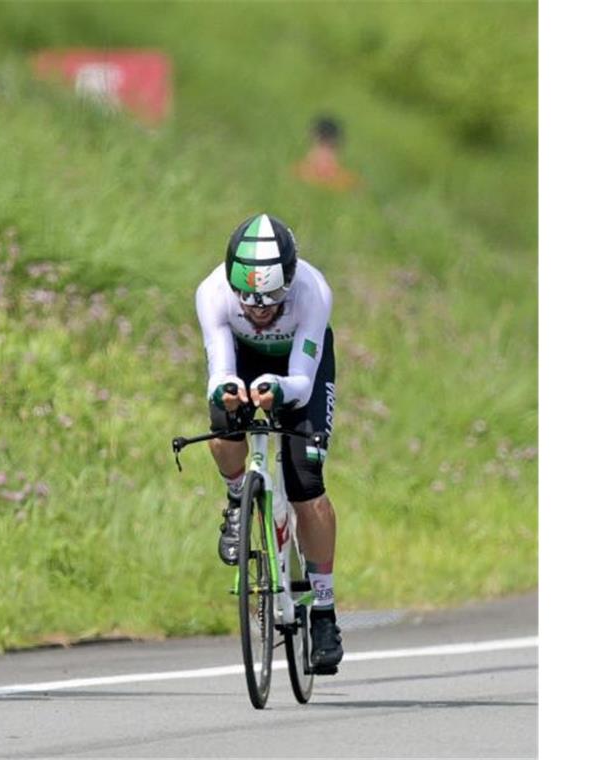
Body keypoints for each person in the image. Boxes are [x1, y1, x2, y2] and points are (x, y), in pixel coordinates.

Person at [194, 212, 343, 674]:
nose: (259, 310)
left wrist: (280, 390)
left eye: (272, 299)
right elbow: (219, 368)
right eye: (249, 300)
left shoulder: (313, 293)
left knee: (306, 483)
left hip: (299, 371)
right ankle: (239, 498)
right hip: (243, 360)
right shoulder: (212, 293)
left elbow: (302, 377)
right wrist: (224, 390)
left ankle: (323, 611)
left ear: (291, 283)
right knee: (222, 423)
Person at [293, 115, 360, 192]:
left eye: (330, 147)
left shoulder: (350, 183)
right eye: (321, 146)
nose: (324, 155)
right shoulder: (297, 174)